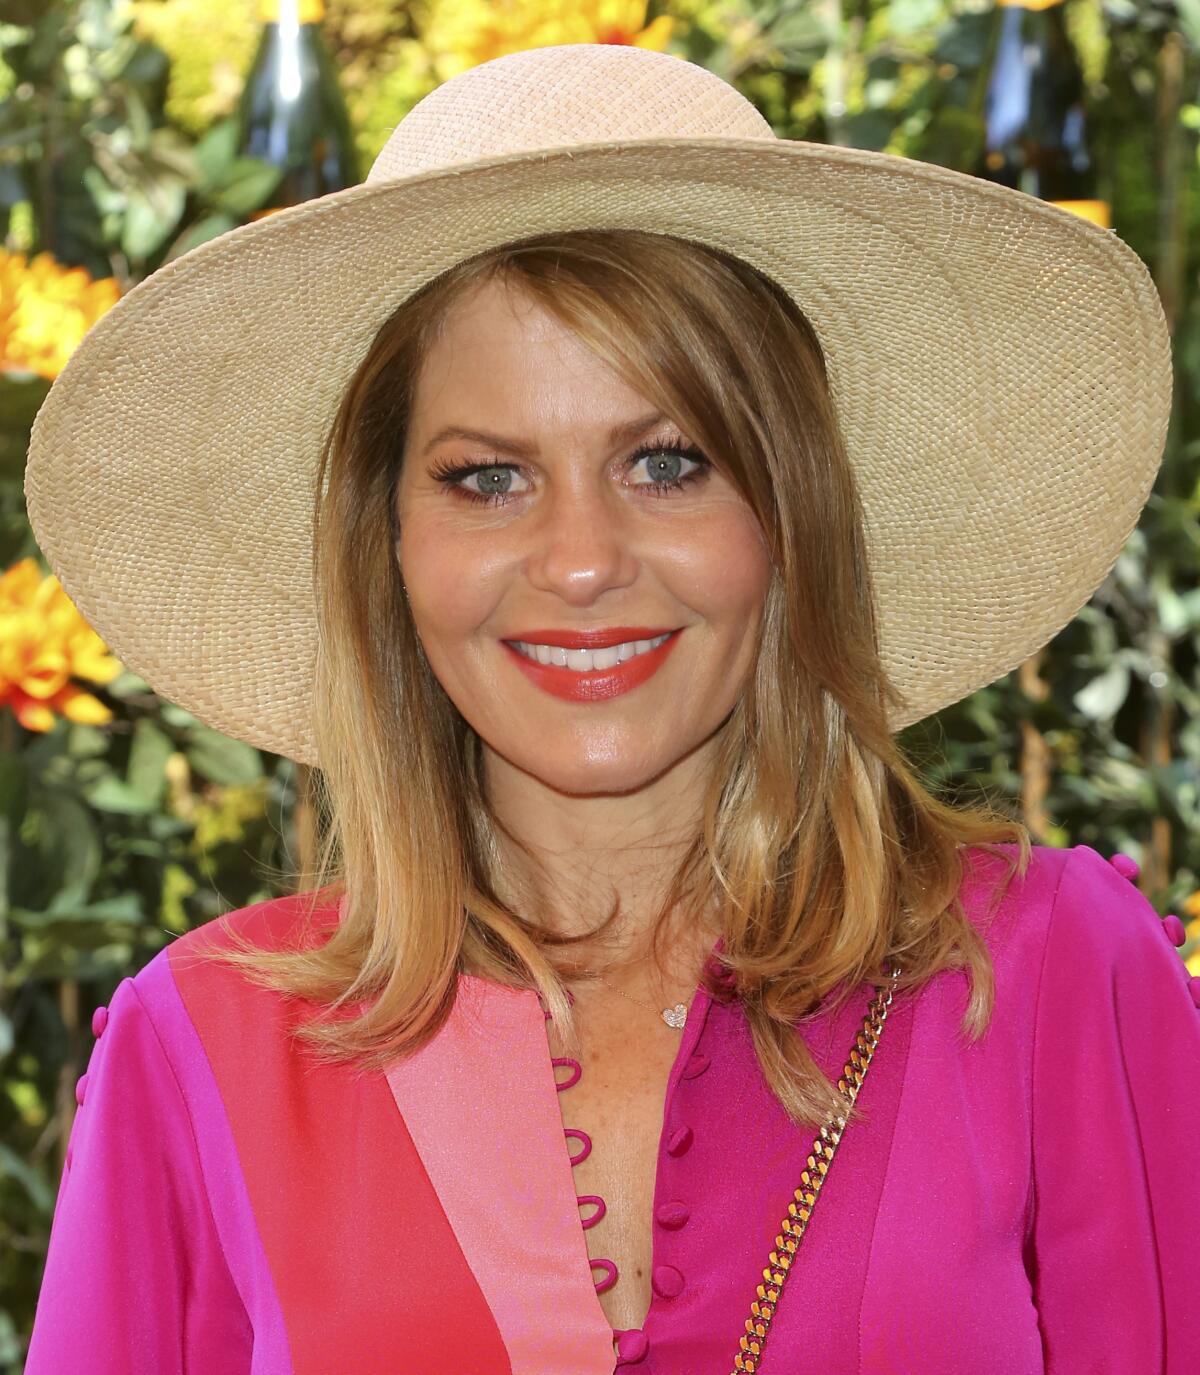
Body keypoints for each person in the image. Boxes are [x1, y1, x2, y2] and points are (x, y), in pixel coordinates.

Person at [21, 41, 1199, 1375]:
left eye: (667, 461)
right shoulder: (207, 1050)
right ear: (387, 546)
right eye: (486, 478)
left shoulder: (1043, 973)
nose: (581, 561)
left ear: (789, 518)